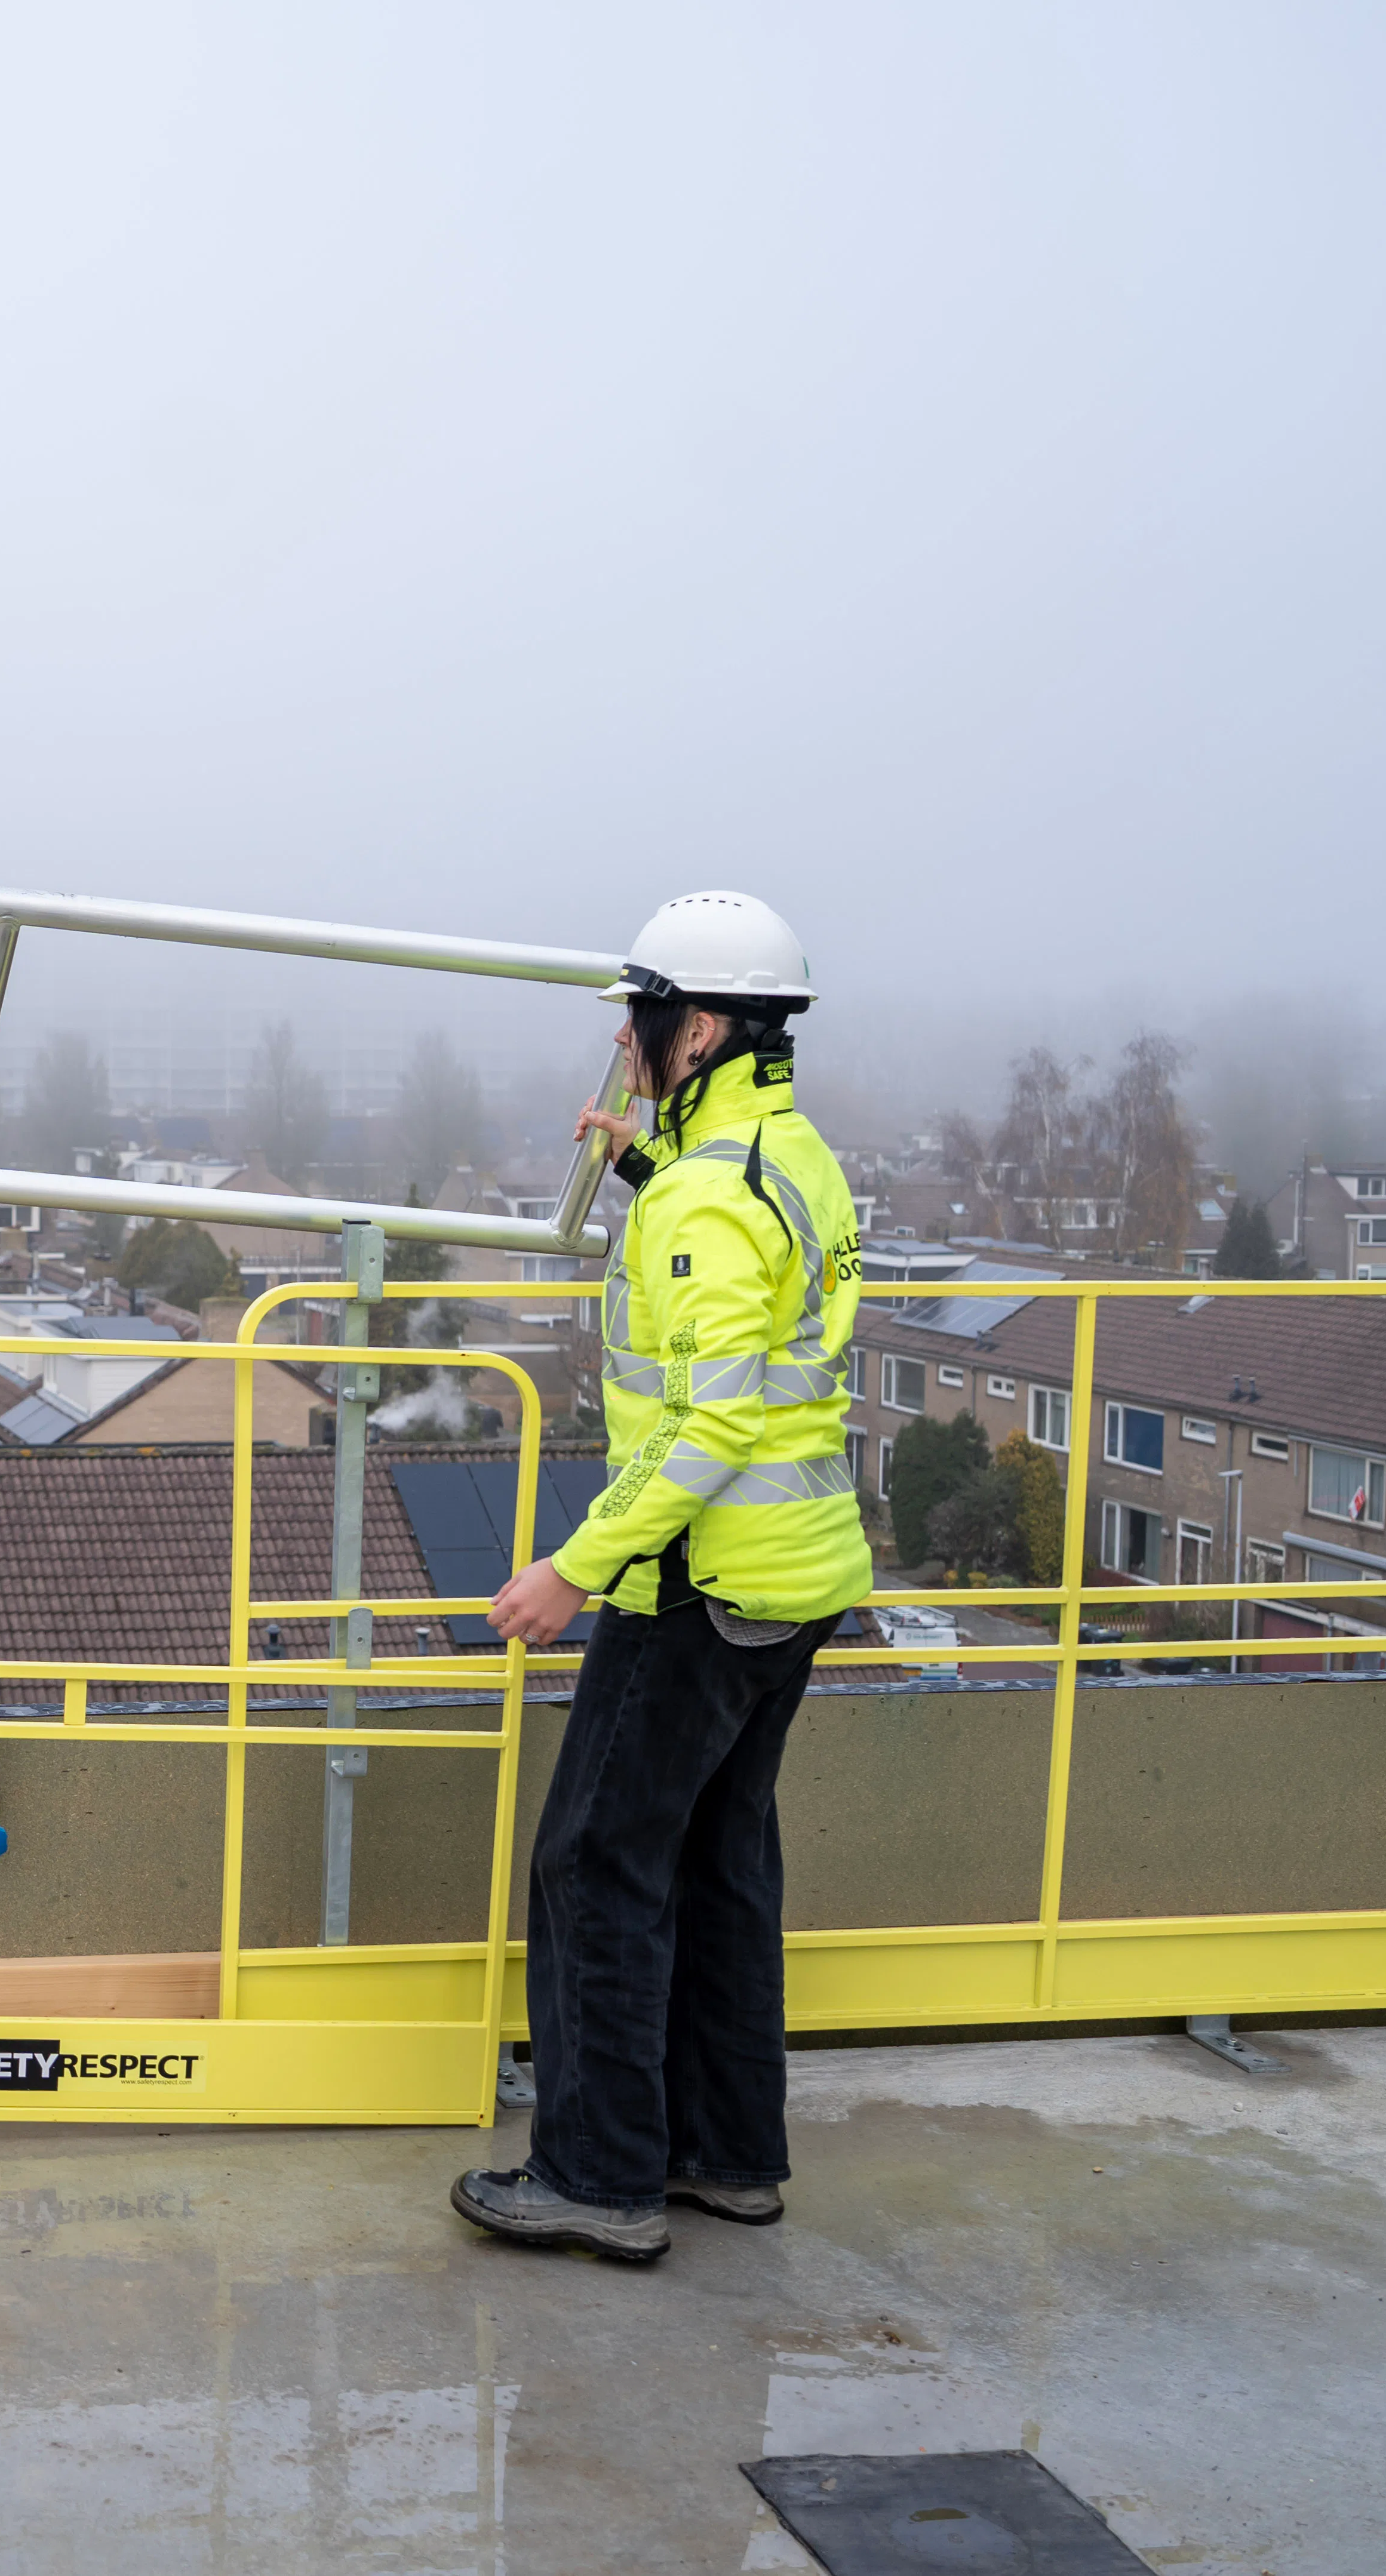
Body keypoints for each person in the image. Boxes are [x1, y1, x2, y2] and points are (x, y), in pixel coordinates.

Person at [459, 890, 872, 2263]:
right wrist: (644, 1166)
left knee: (593, 1861)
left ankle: (598, 2174)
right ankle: (723, 2154)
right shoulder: (787, 1153)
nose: (622, 1041)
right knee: (717, 1858)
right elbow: (761, 1293)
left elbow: (709, 1419)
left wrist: (571, 1570)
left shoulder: (708, 1189)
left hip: (697, 1586)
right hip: (796, 1574)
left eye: (637, 1016)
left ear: (696, 1027)